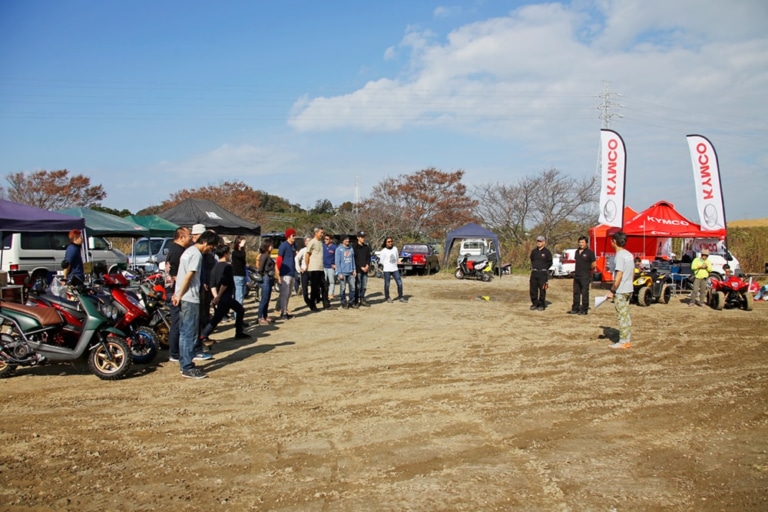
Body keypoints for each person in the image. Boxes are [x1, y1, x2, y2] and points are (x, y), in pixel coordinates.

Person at [173, 230, 219, 379]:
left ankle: (184, 363)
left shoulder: (188, 251)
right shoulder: (196, 255)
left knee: (184, 332)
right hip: (189, 298)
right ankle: (187, 366)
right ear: (205, 242)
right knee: (189, 333)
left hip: (183, 296)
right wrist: (180, 294)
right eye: (210, 247)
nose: (210, 250)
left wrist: (177, 293)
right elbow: (188, 276)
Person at [199, 244, 251, 342]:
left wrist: (215, 296)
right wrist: (218, 296)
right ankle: (238, 332)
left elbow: (212, 284)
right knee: (239, 310)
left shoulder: (215, 267)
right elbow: (225, 284)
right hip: (225, 295)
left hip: (220, 296)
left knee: (218, 316)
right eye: (229, 253)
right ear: (226, 254)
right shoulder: (228, 267)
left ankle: (204, 334)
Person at [164, 226, 192, 363]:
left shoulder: (174, 249)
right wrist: (180, 291)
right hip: (174, 291)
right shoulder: (177, 251)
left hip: (173, 290)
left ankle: (176, 351)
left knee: (178, 322)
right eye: (189, 236)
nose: (191, 238)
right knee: (177, 322)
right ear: (181, 237)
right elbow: (175, 275)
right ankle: (174, 352)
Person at [606, 231, 634, 349]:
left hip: (621, 290)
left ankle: (623, 341)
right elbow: (632, 272)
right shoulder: (629, 254)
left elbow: (619, 274)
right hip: (628, 288)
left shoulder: (619, 256)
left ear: (614, 241)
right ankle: (626, 339)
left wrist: (612, 290)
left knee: (622, 316)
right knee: (626, 315)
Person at [305, 227, 335, 310]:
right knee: (314, 288)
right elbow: (307, 255)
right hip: (313, 269)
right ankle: (312, 305)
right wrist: (307, 266)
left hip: (321, 268)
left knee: (325, 286)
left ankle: (326, 304)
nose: (322, 234)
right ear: (316, 233)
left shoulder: (320, 243)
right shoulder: (312, 242)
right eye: (321, 233)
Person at [568, 235, 596, 315]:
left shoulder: (590, 253)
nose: (581, 244)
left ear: (586, 243)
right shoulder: (577, 252)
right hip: (577, 275)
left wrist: (587, 269)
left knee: (584, 293)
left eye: (583, 242)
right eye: (580, 242)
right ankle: (575, 308)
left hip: (585, 276)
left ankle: (584, 309)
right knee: (576, 293)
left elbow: (594, 264)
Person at [276, 228, 297, 320]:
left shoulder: (293, 246)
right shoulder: (283, 246)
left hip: (292, 272)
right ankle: (282, 312)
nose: (294, 237)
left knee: (288, 294)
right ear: (288, 236)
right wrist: (278, 273)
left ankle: (285, 311)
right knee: (284, 293)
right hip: (285, 272)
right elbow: (279, 260)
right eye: (293, 235)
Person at [379, 237, 408, 303]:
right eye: (388, 242)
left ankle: (401, 297)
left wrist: (397, 263)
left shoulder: (395, 249)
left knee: (399, 283)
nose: (390, 243)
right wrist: (387, 265)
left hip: (395, 269)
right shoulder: (383, 251)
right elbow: (381, 261)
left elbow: (397, 257)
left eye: (391, 241)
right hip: (387, 270)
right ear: (385, 243)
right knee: (387, 284)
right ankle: (387, 297)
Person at [529, 235, 553, 311]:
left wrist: (544, 268)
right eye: (538, 241)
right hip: (534, 272)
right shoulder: (534, 251)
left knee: (542, 289)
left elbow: (550, 262)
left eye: (540, 241)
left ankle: (541, 304)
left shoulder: (547, 252)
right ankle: (535, 303)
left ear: (544, 242)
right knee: (533, 289)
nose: (539, 243)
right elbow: (532, 259)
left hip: (542, 273)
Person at [257, 239, 276, 325]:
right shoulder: (264, 256)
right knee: (264, 298)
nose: (272, 247)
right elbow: (260, 269)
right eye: (271, 245)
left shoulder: (268, 256)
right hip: (266, 278)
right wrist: (264, 275)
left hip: (270, 278)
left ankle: (265, 315)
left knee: (267, 298)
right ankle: (260, 317)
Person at [334, 235, 356, 308]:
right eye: (346, 239)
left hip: (351, 272)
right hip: (343, 272)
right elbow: (337, 262)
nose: (347, 241)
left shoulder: (351, 249)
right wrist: (339, 273)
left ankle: (351, 301)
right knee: (343, 288)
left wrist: (354, 269)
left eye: (348, 239)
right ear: (342, 240)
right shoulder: (338, 249)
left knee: (352, 288)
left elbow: (353, 260)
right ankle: (343, 302)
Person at [353, 231, 372, 307]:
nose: (363, 238)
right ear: (358, 237)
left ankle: (362, 299)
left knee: (364, 286)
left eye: (364, 237)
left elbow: (368, 257)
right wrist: (361, 267)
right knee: (357, 286)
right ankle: (356, 301)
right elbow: (354, 259)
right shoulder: (354, 247)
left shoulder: (366, 247)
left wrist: (367, 266)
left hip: (365, 270)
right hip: (358, 269)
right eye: (361, 237)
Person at [295, 236, 312, 311]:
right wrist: (299, 269)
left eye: (309, 240)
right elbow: (296, 258)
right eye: (307, 241)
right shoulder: (303, 250)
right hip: (304, 270)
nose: (308, 242)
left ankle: (313, 301)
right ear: (305, 243)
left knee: (315, 287)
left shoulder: (314, 250)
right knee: (304, 287)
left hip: (313, 270)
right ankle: (307, 300)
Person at [231, 235, 248, 310]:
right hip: (237, 276)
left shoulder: (241, 252)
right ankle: (237, 314)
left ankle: (238, 311)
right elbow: (242, 255)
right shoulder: (235, 253)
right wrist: (241, 247)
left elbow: (243, 260)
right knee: (239, 296)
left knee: (242, 294)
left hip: (242, 275)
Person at [323, 234, 337, 301]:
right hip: (323, 267)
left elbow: (337, 257)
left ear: (331, 240)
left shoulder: (334, 247)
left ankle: (330, 294)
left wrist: (335, 265)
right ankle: (323, 294)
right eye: (325, 239)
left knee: (331, 281)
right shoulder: (323, 246)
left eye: (327, 239)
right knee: (324, 282)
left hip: (331, 267)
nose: (325, 240)